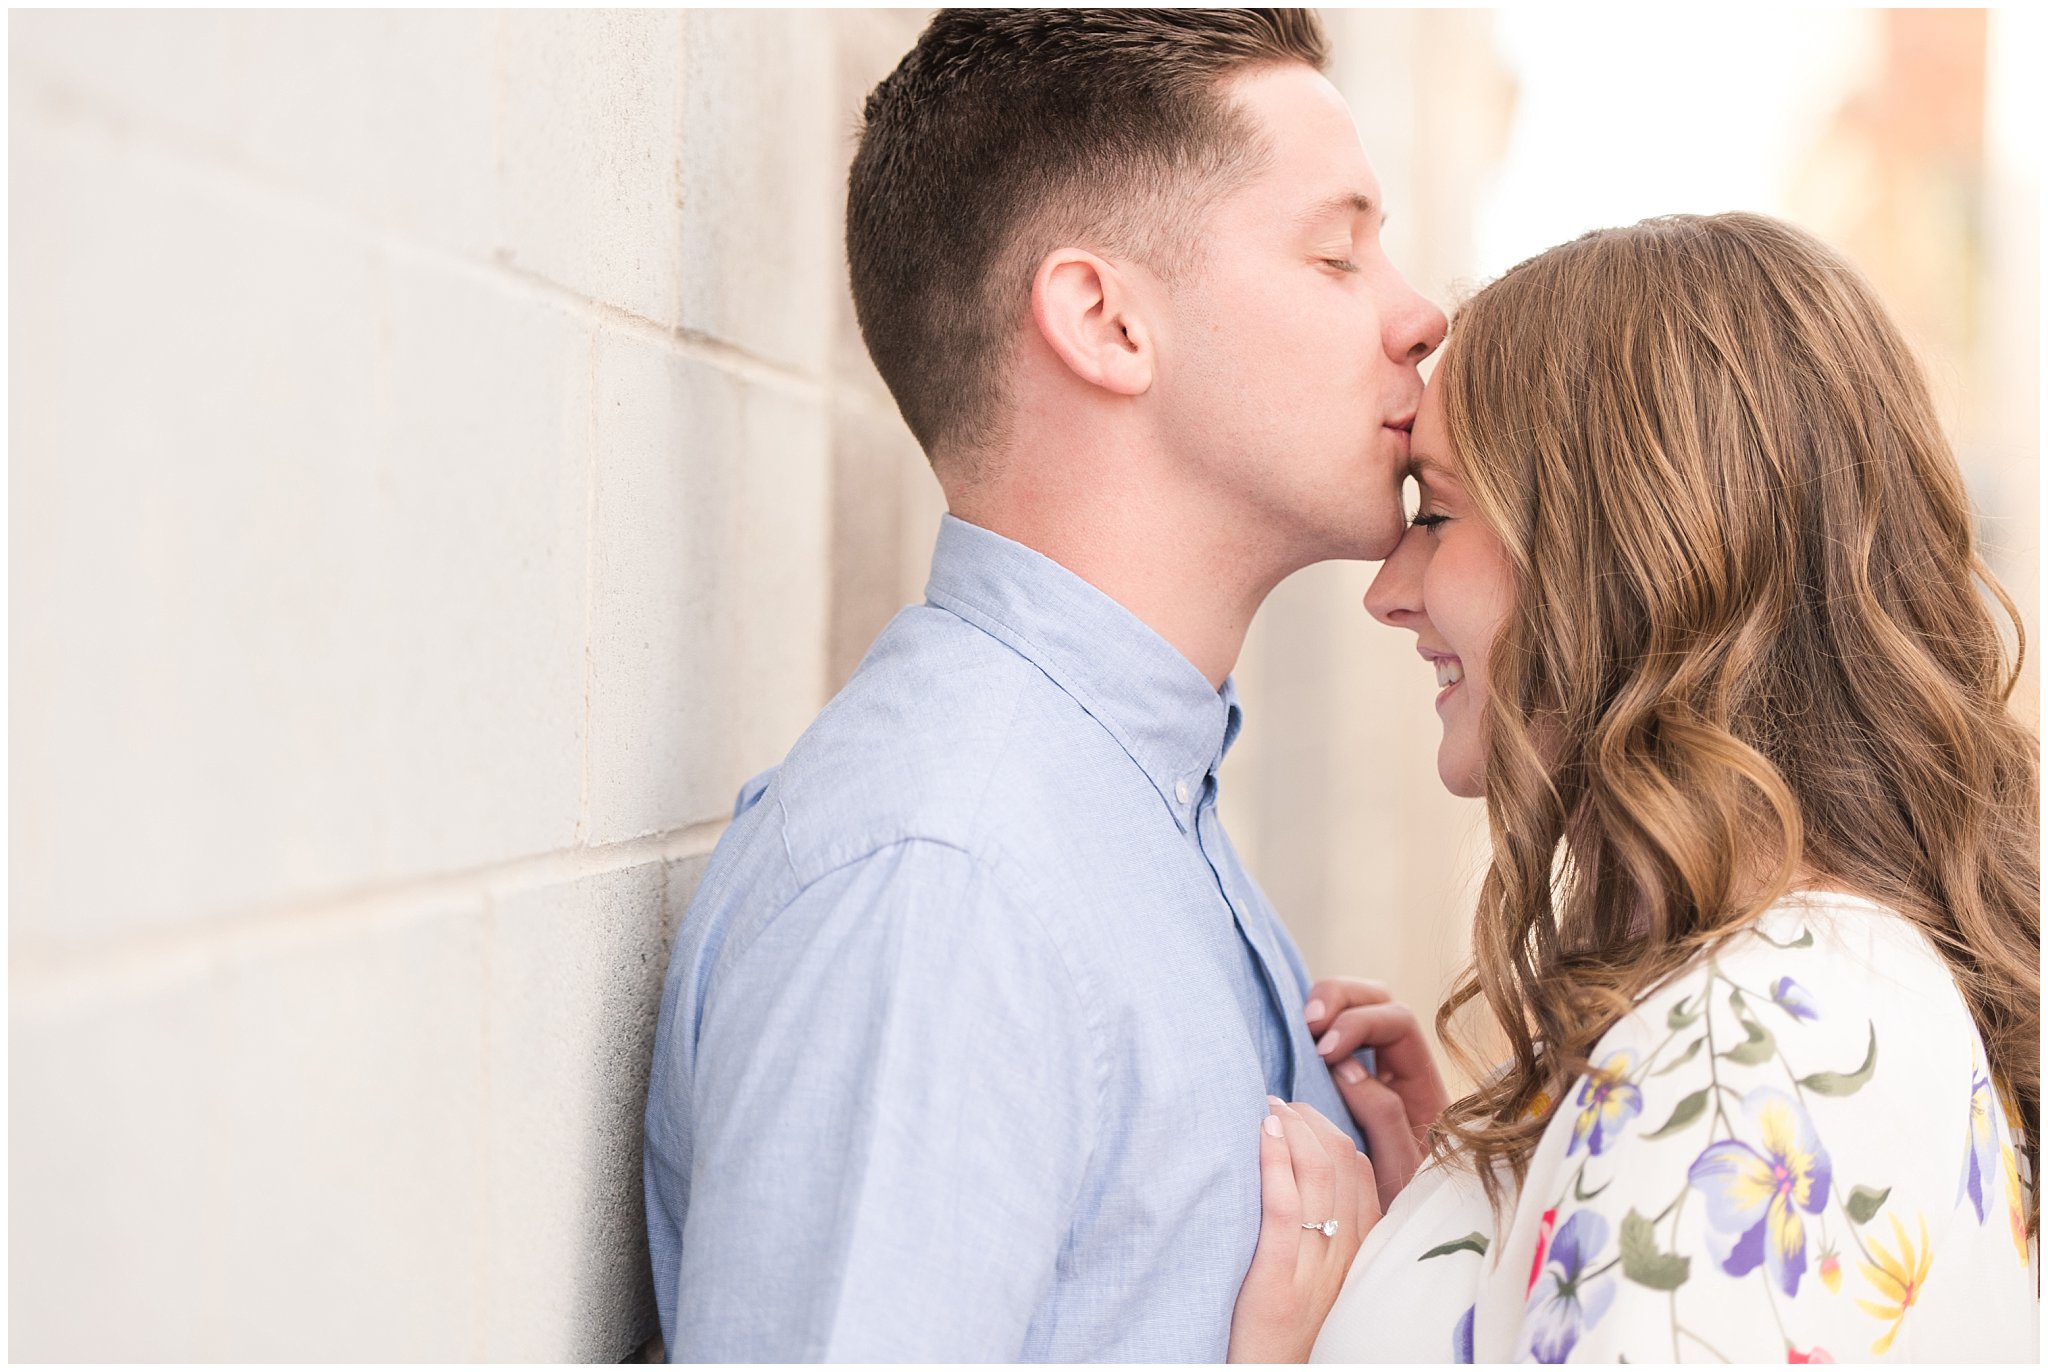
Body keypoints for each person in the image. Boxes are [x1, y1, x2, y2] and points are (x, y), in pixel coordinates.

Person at [641, 9, 1445, 1360]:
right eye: (1335, 251)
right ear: (1103, 320)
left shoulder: (1120, 801)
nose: (1417, 313)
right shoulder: (942, 880)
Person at [1233, 212, 2040, 1362]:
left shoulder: (1756, 1055)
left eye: (1440, 513)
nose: (1388, 592)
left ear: (1620, 559)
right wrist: (1457, 1242)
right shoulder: (1778, 1005)